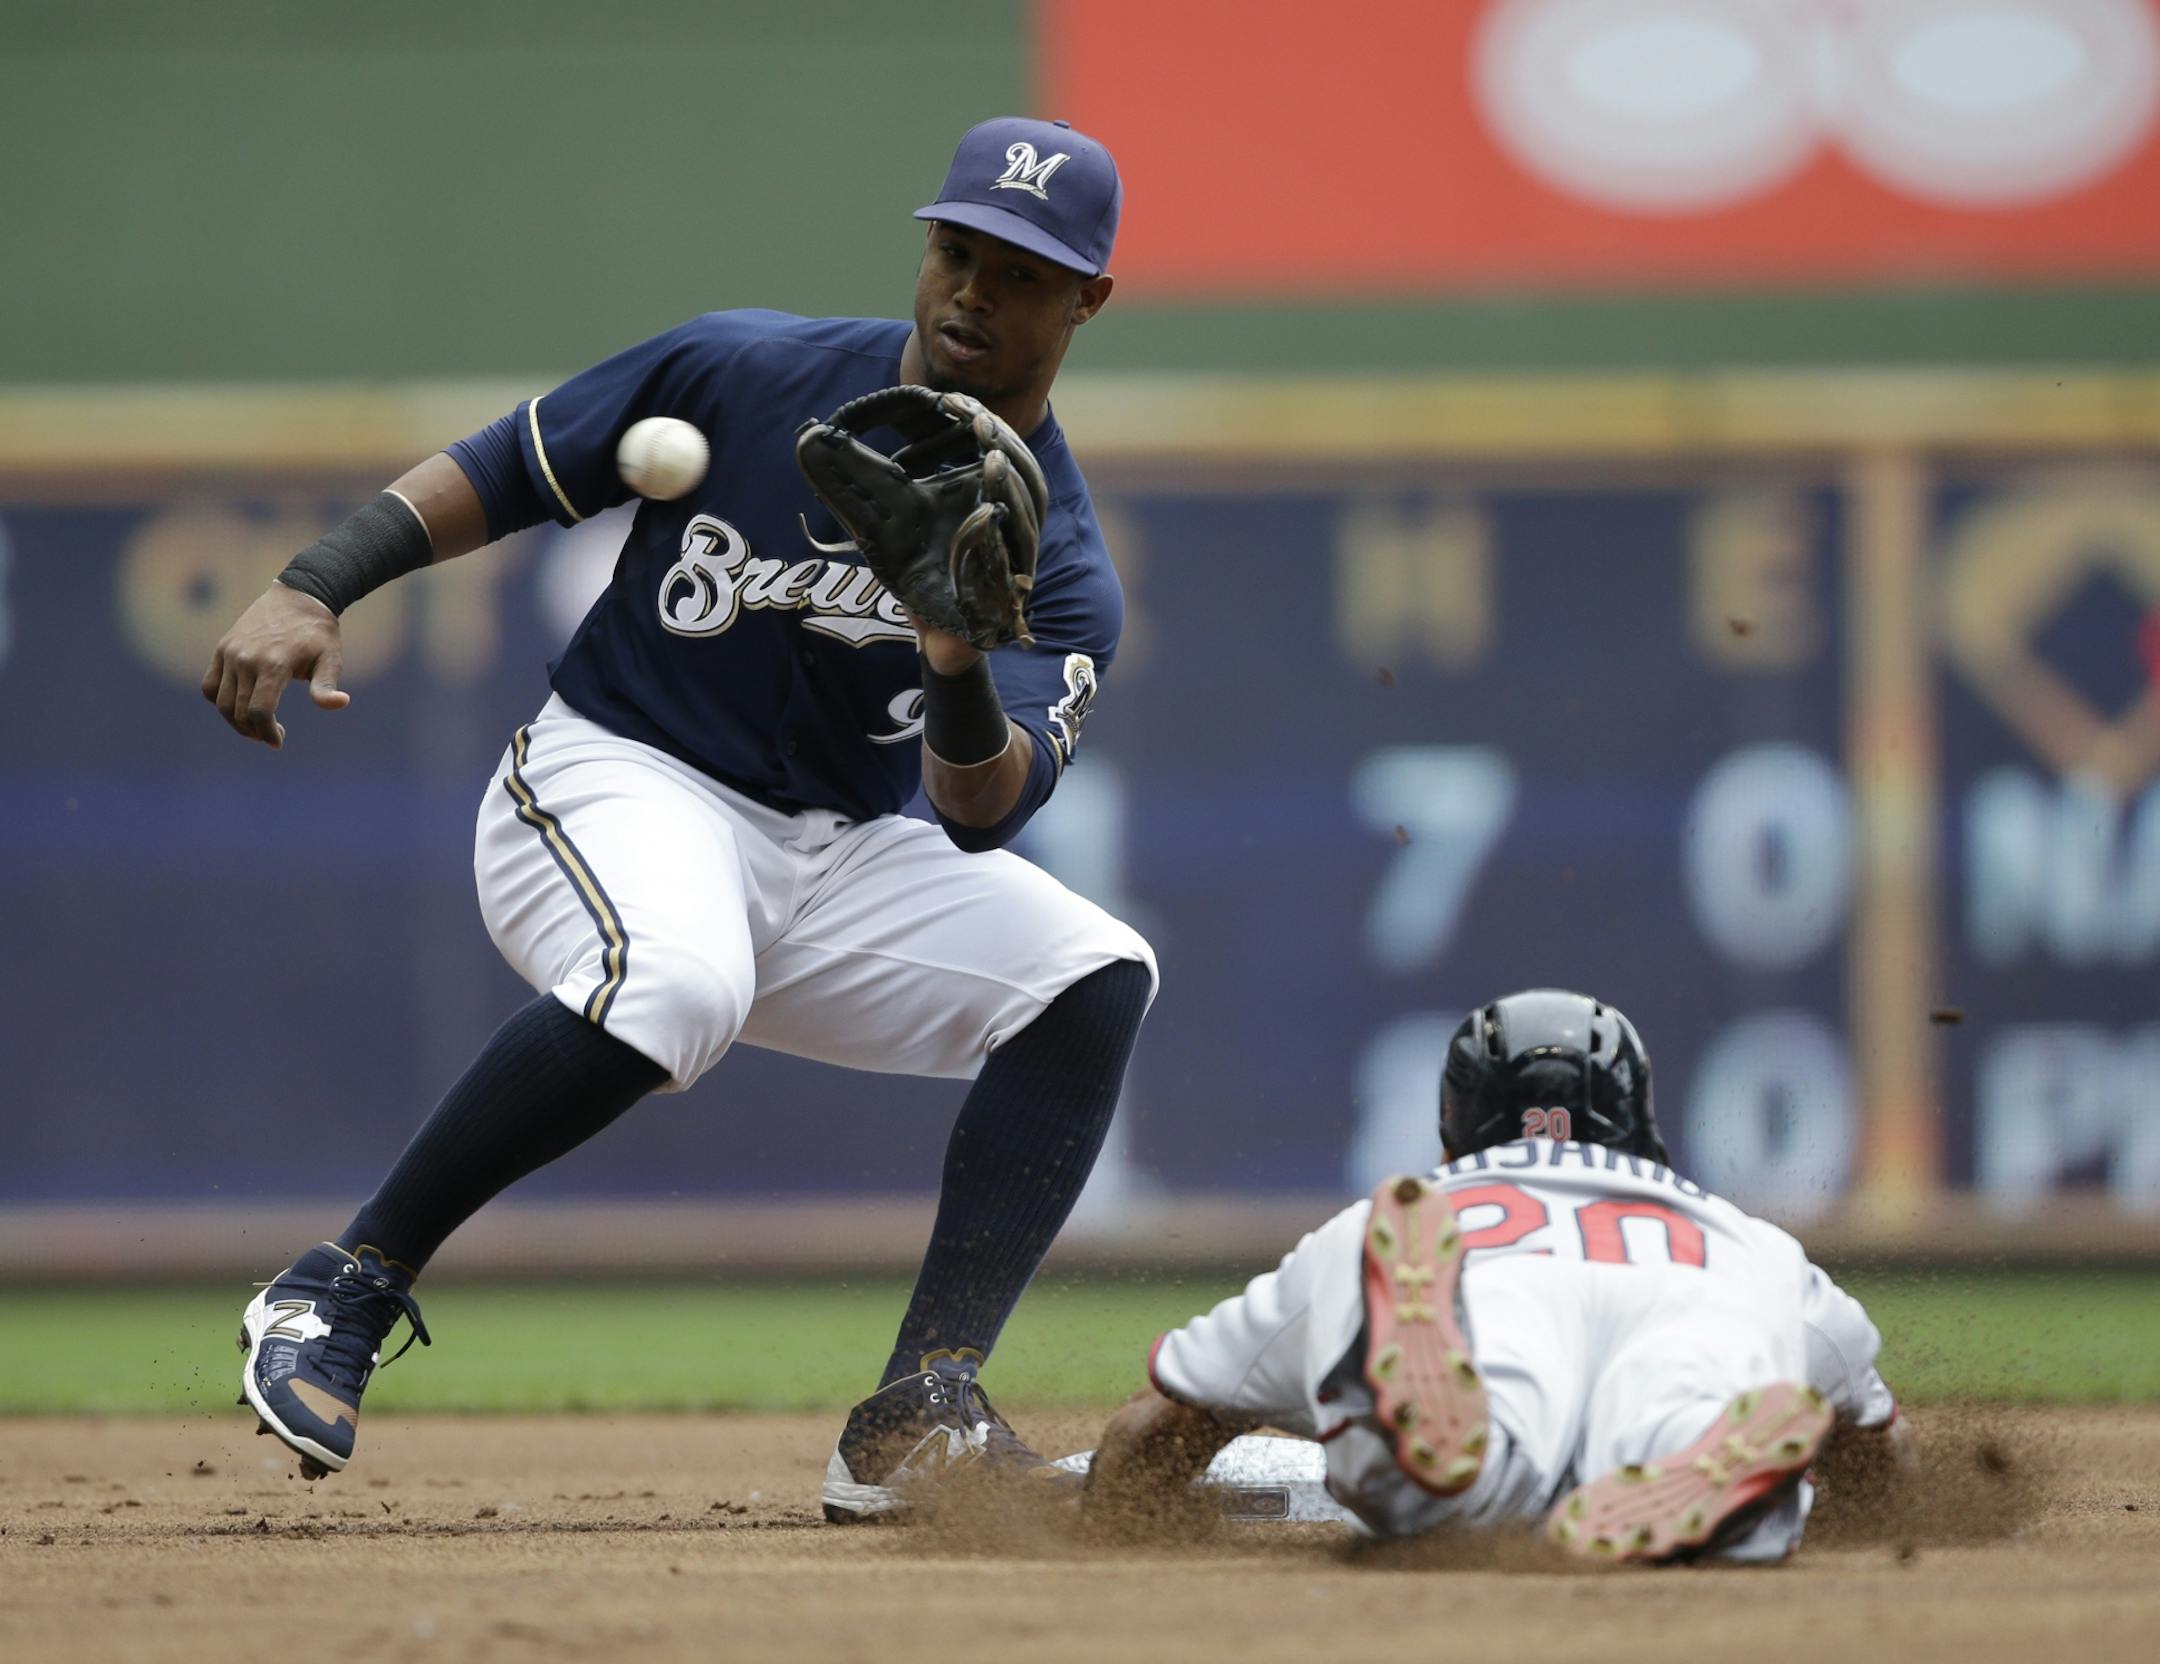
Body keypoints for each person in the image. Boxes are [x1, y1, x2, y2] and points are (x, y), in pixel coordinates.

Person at [206, 116, 1156, 1522]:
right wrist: (312, 583)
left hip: (836, 849)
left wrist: (953, 650)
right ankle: (339, 1283)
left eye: (1019, 272)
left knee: (1093, 975)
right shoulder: (748, 369)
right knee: (677, 981)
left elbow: (975, 813)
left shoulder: (1060, 560)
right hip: (615, 776)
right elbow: (511, 465)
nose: (971, 289)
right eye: (956, 250)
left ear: (1087, 298)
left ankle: (918, 1413)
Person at [1083, 990, 1905, 1563]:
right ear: (1639, 1122)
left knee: (1447, 1482)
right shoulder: (1749, 1241)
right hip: (1692, 1302)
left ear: (1455, 1126)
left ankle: (1431, 1451)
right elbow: (1882, 1468)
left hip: (1483, 1318)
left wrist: (1130, 1522)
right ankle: (1710, 1480)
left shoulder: (1384, 1225)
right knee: (1680, 1409)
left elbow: (1150, 1434)